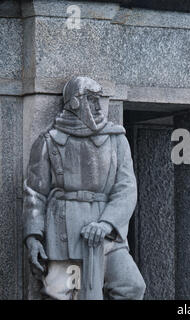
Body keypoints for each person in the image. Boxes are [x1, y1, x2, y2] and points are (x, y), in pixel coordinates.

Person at [23, 76, 146, 300]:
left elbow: (126, 189)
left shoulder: (116, 139)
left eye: (99, 99)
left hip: (105, 232)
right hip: (62, 231)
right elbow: (35, 193)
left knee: (132, 286)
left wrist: (106, 223)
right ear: (74, 102)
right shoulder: (48, 141)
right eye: (91, 100)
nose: (98, 106)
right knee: (62, 295)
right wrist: (33, 237)